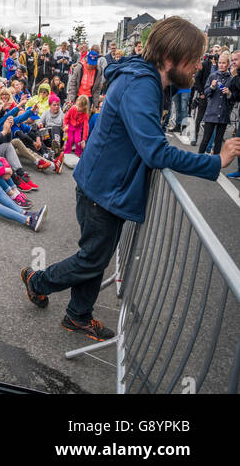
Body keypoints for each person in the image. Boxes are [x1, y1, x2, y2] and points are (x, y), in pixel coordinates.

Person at [21, 17, 240, 341]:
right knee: (91, 258)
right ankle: (37, 282)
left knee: (96, 257)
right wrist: (215, 161)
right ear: (170, 56)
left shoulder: (148, 79)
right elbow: (156, 151)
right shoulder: (142, 84)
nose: (198, 66)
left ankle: (78, 315)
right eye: (194, 58)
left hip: (106, 187)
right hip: (103, 190)